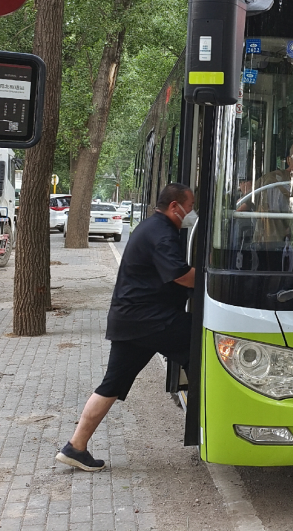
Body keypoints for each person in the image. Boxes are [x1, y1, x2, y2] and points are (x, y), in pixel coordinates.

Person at [55, 183, 196, 472]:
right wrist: (216, 279)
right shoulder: (162, 234)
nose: (191, 213)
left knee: (112, 384)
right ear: (174, 206)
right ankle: (220, 426)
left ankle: (75, 447)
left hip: (132, 321)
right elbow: (181, 276)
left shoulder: (151, 227)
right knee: (206, 351)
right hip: (152, 320)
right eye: (190, 207)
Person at [245, 140, 293, 245]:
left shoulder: (267, 179)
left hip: (263, 244)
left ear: (288, 160)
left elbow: (241, 208)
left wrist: (246, 192)